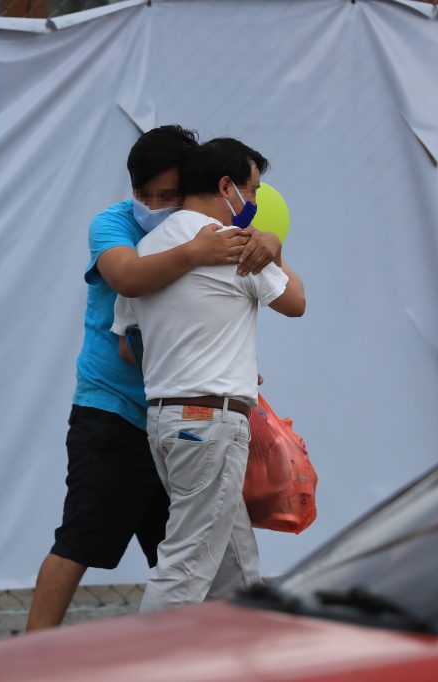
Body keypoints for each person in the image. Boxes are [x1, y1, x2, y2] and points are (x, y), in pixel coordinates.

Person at [26, 126, 283, 631]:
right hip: (115, 410)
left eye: (167, 194)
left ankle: (215, 656)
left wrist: (269, 240)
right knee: (82, 543)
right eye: (143, 194)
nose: (154, 204)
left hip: (179, 418)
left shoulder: (211, 228)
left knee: (195, 560)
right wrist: (193, 254)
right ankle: (26, 663)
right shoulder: (116, 225)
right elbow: (125, 276)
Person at [112, 138, 305, 612]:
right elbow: (296, 303)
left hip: (166, 422)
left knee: (236, 573)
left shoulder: (148, 249)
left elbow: (126, 340)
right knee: (184, 568)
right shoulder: (233, 246)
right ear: (226, 187)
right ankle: (146, 667)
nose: (256, 204)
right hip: (210, 422)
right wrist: (272, 244)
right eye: (253, 190)